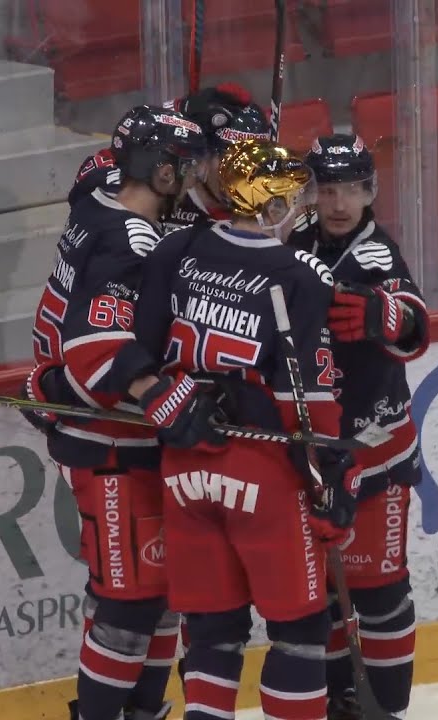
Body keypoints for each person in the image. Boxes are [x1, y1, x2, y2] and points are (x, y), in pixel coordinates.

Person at [104, 139, 363, 720]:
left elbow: (136, 351)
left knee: (212, 630)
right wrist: (331, 483)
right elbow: (309, 400)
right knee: (300, 629)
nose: (302, 208)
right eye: (293, 198)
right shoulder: (300, 275)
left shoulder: (177, 248)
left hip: (185, 468)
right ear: (273, 203)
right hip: (263, 472)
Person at [22, 104, 209, 720]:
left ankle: (144, 713)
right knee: (129, 602)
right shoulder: (132, 239)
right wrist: (157, 392)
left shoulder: (97, 199)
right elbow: (98, 347)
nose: (193, 178)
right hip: (108, 440)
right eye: (184, 167)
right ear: (160, 172)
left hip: (110, 432)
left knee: (162, 593)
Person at [289, 134, 431, 720]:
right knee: (322, 594)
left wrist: (387, 316)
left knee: (380, 591)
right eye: (327, 189)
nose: (340, 202)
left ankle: (387, 709)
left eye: (350, 189)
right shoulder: (296, 241)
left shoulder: (377, 257)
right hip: (314, 454)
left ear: (370, 191)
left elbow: (415, 325)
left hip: (375, 450)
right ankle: (340, 702)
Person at [70, 83, 270, 233]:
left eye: (257, 160)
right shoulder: (163, 178)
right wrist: (180, 110)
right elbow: (92, 175)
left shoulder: (267, 207)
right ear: (202, 156)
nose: (246, 173)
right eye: (233, 160)